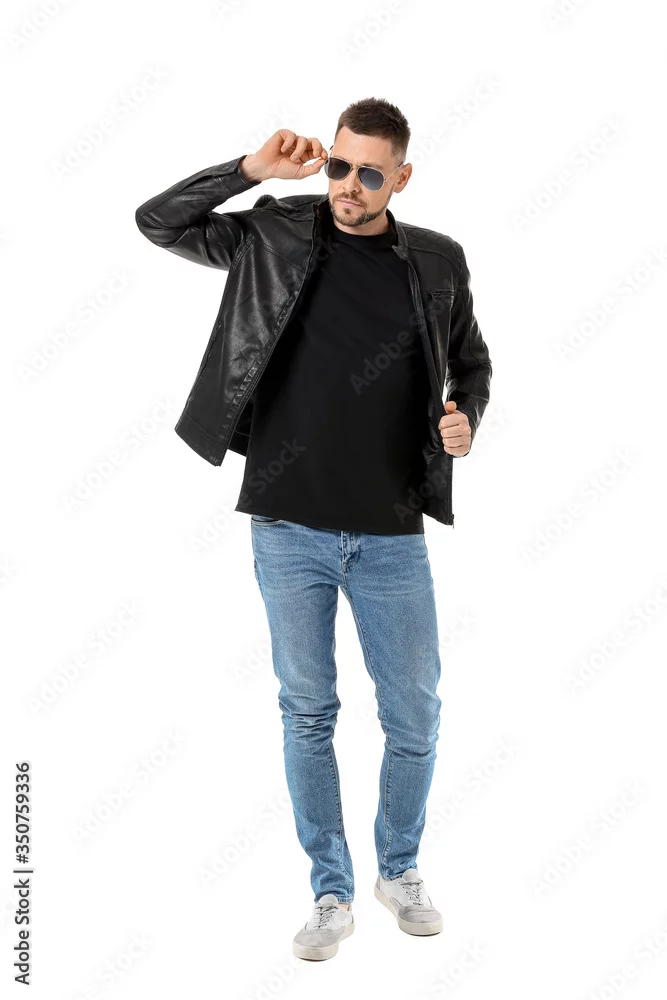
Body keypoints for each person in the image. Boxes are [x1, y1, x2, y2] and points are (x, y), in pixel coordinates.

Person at [135, 96, 492, 961]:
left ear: (400, 178)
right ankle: (330, 890)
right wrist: (249, 170)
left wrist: (465, 420)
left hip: (391, 532)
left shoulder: (436, 260)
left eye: (369, 173)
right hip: (286, 524)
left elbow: (471, 364)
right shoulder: (272, 233)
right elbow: (158, 222)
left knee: (414, 716)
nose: (348, 185)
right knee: (307, 714)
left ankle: (397, 869)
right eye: (339, 166)